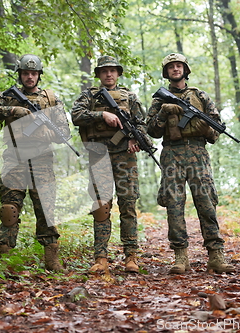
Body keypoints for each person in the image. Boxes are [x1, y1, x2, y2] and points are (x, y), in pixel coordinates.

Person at [146, 53, 235, 274]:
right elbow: (152, 131)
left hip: (197, 153)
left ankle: (215, 255)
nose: (175, 70)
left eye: (179, 66)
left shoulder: (200, 96)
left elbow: (215, 131)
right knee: (174, 205)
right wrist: (164, 114)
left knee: (206, 203)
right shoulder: (159, 100)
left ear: (185, 70)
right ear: (166, 72)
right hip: (171, 154)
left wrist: (204, 126)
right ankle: (180, 257)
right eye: (171, 67)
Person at [0, 54, 70, 272]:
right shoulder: (7, 96)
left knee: (47, 210)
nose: (30, 77)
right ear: (20, 75)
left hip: (42, 159)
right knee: (9, 209)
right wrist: (13, 110)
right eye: (25, 73)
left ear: (39, 75)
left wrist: (44, 128)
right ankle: (6, 261)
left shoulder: (51, 99)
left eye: (33, 73)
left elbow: (65, 133)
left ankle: (51, 261)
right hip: (15, 158)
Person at [71, 55, 146, 273]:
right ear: (99, 75)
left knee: (128, 204)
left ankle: (131, 256)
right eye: (104, 71)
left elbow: (142, 124)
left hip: (125, 155)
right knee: (101, 207)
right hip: (99, 155)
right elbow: (76, 115)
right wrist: (101, 114)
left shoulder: (129, 97)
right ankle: (101, 258)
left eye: (112, 70)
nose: (109, 74)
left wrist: (134, 137)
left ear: (118, 73)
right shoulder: (89, 96)